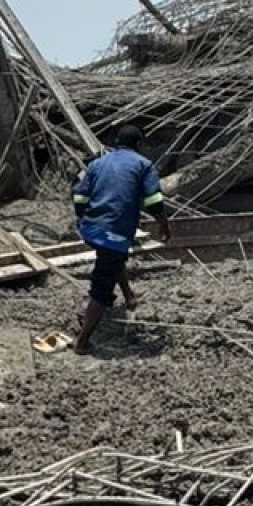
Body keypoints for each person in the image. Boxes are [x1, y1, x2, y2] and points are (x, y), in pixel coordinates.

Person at [70, 124, 169, 356]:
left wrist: (84, 217)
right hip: (114, 231)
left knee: (113, 258)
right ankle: (82, 342)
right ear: (139, 145)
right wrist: (164, 223)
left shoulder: (97, 164)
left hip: (92, 229)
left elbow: (79, 195)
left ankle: (129, 296)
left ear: (116, 143)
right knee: (102, 287)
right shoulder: (143, 165)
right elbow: (154, 201)